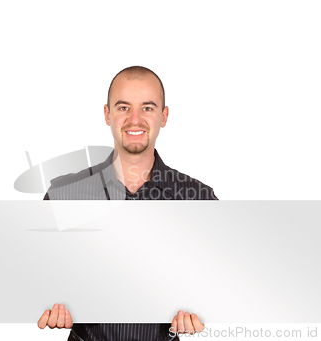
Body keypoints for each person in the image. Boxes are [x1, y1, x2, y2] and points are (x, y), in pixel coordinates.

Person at [38, 66, 217, 341]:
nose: (135, 120)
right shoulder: (64, 195)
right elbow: (29, 276)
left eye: (147, 108)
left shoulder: (198, 199)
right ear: (108, 115)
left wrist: (202, 312)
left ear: (164, 116)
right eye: (123, 107)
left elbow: (223, 287)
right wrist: (45, 304)